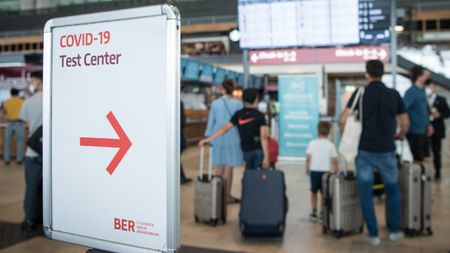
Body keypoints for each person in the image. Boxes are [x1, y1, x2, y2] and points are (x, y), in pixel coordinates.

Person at [339, 60, 409, 246]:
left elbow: (343, 120)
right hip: (387, 150)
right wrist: (398, 136)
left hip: (365, 151)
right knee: (392, 190)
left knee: (365, 191)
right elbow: (405, 122)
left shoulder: (360, 94)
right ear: (383, 73)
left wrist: (345, 136)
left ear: (367, 74)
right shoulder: (393, 94)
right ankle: (393, 231)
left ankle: (373, 234)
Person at [200, 88, 270, 171]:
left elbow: (224, 129)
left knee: (249, 175)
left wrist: (208, 139)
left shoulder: (239, 114)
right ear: (256, 99)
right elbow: (263, 137)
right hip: (258, 150)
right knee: (259, 176)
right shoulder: (260, 116)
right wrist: (267, 156)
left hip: (246, 151)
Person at [204, 79, 243, 203]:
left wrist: (209, 136)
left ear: (222, 89)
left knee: (218, 166)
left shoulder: (215, 104)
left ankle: (217, 196)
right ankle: (227, 196)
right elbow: (240, 123)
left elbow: (211, 121)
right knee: (229, 167)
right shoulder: (238, 104)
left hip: (218, 135)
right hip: (233, 135)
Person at [20, 71, 43, 232]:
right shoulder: (56, 100)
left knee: (32, 187)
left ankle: (30, 219)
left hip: (33, 152)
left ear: (37, 81)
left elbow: (26, 124)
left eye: (32, 80)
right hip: (51, 155)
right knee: (46, 189)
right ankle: (44, 219)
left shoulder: (29, 102)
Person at [305, 121, 337, 221]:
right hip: (326, 173)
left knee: (313, 192)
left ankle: (314, 212)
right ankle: (322, 213)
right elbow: (334, 161)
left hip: (314, 171)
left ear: (318, 131)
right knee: (324, 194)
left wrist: (307, 170)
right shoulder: (331, 145)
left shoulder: (312, 143)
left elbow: (308, 158)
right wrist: (336, 171)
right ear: (329, 132)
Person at [403, 66, 432, 163]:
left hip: (423, 131)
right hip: (414, 132)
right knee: (419, 160)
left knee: (427, 158)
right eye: (425, 75)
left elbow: (424, 111)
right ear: (419, 77)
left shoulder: (422, 91)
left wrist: (429, 124)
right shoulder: (411, 92)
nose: (428, 77)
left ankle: (426, 177)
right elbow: (403, 110)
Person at [425, 79, 450, 180]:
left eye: (431, 86)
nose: (430, 89)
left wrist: (439, 114)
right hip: (425, 129)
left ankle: (437, 171)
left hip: (437, 129)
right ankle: (426, 172)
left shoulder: (441, 99)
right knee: (425, 152)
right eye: (428, 87)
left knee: (436, 152)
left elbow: (448, 113)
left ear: (434, 87)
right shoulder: (423, 98)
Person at [2, 88, 24, 165]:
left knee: (7, 142)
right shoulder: (22, 102)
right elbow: (24, 113)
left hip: (9, 123)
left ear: (10, 93)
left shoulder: (6, 102)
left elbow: (4, 112)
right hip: (19, 123)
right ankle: (19, 160)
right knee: (20, 142)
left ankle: (7, 159)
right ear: (18, 93)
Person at [180, 101, 192, 184]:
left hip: (179, 137)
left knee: (176, 158)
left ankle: (181, 177)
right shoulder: (181, 116)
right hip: (180, 137)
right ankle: (181, 177)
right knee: (176, 158)